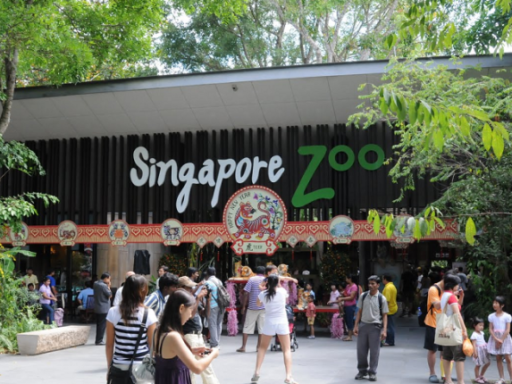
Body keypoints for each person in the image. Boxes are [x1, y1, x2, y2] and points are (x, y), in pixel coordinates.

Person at [155, 289, 219, 384]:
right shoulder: (173, 336)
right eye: (190, 310)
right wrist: (213, 354)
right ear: (181, 308)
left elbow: (169, 354)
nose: (190, 315)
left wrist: (191, 351)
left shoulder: (160, 330)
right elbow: (197, 368)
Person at [106, 275, 158, 384]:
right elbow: (152, 345)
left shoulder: (113, 312)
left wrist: (109, 367)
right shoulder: (149, 314)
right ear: (143, 291)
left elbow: (109, 344)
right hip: (141, 367)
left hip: (118, 365)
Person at [252, 274, 298, 384]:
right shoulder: (282, 292)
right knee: (286, 349)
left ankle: (257, 372)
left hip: (269, 322)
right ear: (278, 282)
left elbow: (258, 304)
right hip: (282, 322)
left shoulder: (263, 294)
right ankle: (288, 376)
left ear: (267, 282)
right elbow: (285, 297)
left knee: (262, 348)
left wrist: (261, 287)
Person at [178, 276, 219, 384]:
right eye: (189, 287)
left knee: (205, 367)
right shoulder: (181, 300)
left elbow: (206, 314)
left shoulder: (191, 298)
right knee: (195, 367)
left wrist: (208, 301)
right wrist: (197, 298)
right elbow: (190, 315)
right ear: (182, 287)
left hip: (197, 335)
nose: (192, 289)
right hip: (189, 335)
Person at [353, 275, 389, 382]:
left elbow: (385, 315)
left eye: (373, 284)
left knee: (374, 351)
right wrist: (356, 325)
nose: (370, 285)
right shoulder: (363, 296)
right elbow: (359, 311)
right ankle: (362, 370)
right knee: (361, 351)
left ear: (378, 285)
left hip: (375, 327)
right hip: (363, 325)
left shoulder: (381, 298)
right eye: (369, 283)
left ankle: (372, 372)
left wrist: (384, 330)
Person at [439, 274, 467, 384]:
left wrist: (461, 297)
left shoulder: (445, 295)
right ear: (452, 285)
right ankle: (461, 381)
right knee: (459, 357)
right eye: (457, 284)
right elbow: (457, 314)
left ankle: (448, 380)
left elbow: (457, 306)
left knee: (446, 355)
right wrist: (464, 330)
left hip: (445, 327)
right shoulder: (451, 296)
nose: (459, 286)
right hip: (454, 328)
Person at [238, 266, 266, 353]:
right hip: (263, 307)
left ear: (255, 272)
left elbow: (246, 292)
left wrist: (243, 306)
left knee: (247, 327)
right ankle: (258, 347)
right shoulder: (266, 280)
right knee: (261, 329)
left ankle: (243, 347)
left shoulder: (251, 279)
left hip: (252, 307)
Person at [424, 273, 445, 383]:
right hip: (433, 322)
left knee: (445, 349)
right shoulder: (434, 289)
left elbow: (457, 305)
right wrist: (450, 296)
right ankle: (432, 373)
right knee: (433, 349)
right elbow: (437, 305)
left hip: (446, 322)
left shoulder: (450, 290)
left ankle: (445, 374)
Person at [487, 296, 512, 384]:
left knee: (508, 358)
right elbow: (490, 329)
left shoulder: (507, 316)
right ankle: (502, 378)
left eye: (496, 303)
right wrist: (496, 339)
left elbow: (508, 330)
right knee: (498, 358)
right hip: (495, 337)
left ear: (502, 305)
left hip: (505, 337)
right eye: (494, 303)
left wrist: (501, 340)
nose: (494, 304)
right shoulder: (491, 316)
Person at [204, 267, 226, 348]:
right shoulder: (219, 281)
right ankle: (217, 341)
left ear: (207, 273)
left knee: (212, 324)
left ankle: (214, 343)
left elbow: (206, 295)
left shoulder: (208, 282)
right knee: (218, 323)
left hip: (212, 305)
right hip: (221, 304)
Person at [338, 274, 359, 341]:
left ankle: (350, 336)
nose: (346, 279)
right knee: (346, 320)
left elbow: (352, 297)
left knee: (350, 320)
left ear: (350, 279)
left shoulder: (354, 286)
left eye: (347, 278)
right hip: (346, 305)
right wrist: (342, 294)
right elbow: (346, 294)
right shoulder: (347, 286)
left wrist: (342, 299)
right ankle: (348, 335)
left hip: (351, 305)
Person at [471, 317, 490, 384]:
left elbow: (483, 341)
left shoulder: (482, 333)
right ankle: (477, 377)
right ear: (474, 325)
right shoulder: (474, 334)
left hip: (484, 350)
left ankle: (481, 375)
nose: (482, 327)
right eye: (480, 325)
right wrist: (475, 352)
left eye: (482, 325)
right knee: (478, 365)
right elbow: (474, 344)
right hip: (478, 350)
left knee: (488, 363)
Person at [94, 272, 112, 345]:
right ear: (106, 278)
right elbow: (110, 295)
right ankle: (99, 340)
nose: (109, 281)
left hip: (97, 306)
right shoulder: (104, 286)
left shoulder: (95, 283)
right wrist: (109, 287)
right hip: (104, 307)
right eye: (109, 279)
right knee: (102, 324)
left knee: (99, 324)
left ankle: (98, 339)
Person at [382, 275, 397, 347]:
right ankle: (389, 340)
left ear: (385, 279)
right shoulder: (392, 286)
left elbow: (386, 300)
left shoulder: (388, 288)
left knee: (389, 326)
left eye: (383, 279)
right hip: (392, 308)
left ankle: (390, 341)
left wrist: (383, 309)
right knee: (390, 325)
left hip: (389, 309)